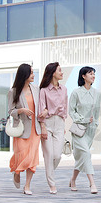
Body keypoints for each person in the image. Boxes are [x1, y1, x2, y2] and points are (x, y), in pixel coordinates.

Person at [8, 64, 41, 195]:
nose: (33, 75)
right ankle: (16, 171)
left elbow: (40, 106)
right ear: (24, 74)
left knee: (32, 159)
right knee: (21, 155)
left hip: (35, 129)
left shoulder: (36, 89)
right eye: (31, 73)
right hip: (21, 129)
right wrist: (21, 110)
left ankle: (27, 186)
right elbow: (10, 111)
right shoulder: (14, 91)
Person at [69, 66, 101, 194]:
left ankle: (73, 180)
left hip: (90, 130)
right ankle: (92, 184)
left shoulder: (97, 93)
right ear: (83, 76)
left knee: (82, 157)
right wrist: (83, 119)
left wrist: (95, 124)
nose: (93, 76)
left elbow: (97, 112)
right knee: (86, 154)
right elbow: (71, 111)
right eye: (90, 73)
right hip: (78, 130)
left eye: (94, 74)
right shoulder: (76, 92)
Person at [38, 62, 68, 194]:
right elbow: (41, 110)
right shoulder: (43, 90)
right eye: (59, 70)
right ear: (52, 73)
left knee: (57, 155)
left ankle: (49, 170)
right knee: (49, 155)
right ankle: (52, 184)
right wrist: (43, 126)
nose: (62, 73)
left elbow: (65, 108)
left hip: (60, 123)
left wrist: (63, 124)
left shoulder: (64, 89)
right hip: (47, 124)